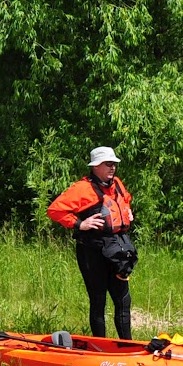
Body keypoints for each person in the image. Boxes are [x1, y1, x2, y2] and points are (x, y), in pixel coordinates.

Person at [47, 145, 136, 340]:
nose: (113, 168)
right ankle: (100, 346)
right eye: (108, 164)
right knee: (98, 300)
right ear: (96, 166)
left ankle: (127, 346)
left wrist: (127, 211)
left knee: (123, 300)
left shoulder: (117, 184)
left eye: (114, 164)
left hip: (117, 250)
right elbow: (55, 210)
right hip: (92, 252)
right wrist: (80, 223)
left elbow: (126, 200)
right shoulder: (82, 188)